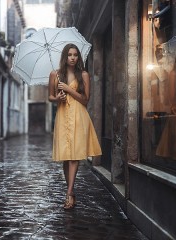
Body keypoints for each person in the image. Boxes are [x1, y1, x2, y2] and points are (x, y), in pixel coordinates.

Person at [48, 43, 102, 210]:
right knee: (66, 156)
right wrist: (58, 97)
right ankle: (70, 190)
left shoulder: (84, 75)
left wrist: (69, 91)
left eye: (75, 55)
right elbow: (50, 97)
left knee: (75, 155)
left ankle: (69, 193)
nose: (73, 57)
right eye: (70, 54)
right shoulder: (55, 74)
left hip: (79, 115)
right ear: (65, 56)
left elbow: (86, 100)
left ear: (79, 57)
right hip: (63, 116)